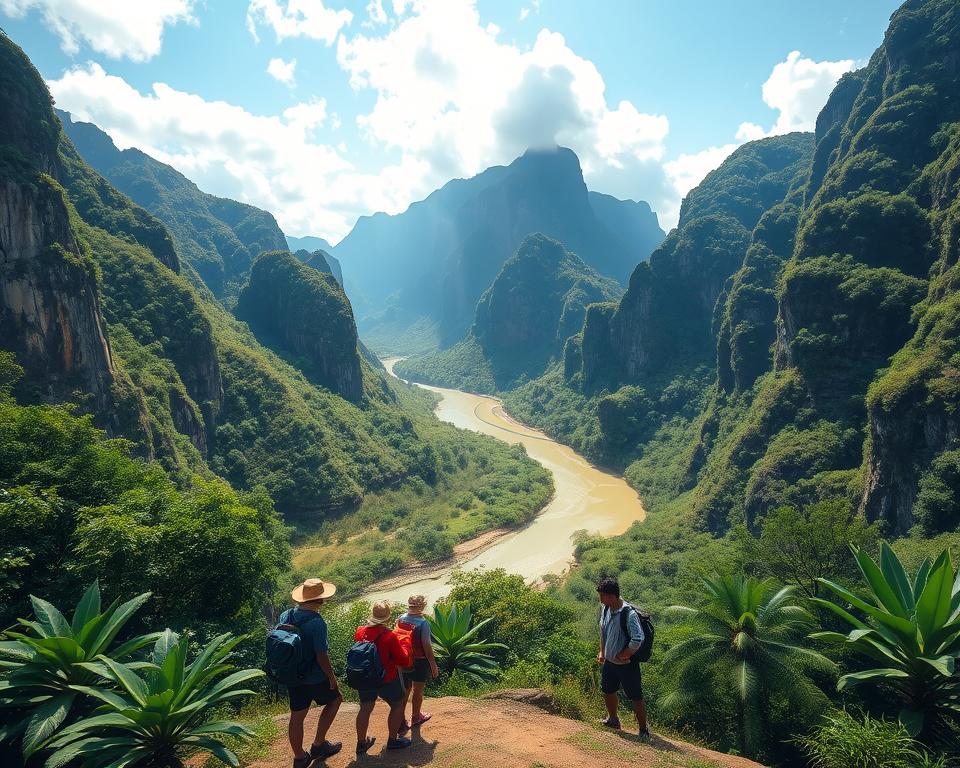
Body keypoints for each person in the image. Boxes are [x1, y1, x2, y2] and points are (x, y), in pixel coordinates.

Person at [281, 578, 343, 767]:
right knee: (335, 700)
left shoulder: (286, 615)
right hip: (314, 676)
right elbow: (321, 655)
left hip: (292, 674)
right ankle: (318, 745)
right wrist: (331, 677)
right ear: (320, 601)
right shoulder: (317, 622)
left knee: (297, 715)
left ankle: (300, 757)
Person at [354, 601, 413, 754]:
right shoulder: (390, 636)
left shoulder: (360, 631)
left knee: (365, 707)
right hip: (386, 678)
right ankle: (393, 740)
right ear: (388, 617)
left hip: (365, 677)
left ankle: (361, 743)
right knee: (398, 704)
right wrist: (406, 641)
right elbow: (403, 661)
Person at [596, 576, 650, 740]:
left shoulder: (628, 613)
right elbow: (603, 631)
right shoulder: (606, 609)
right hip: (610, 663)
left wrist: (625, 654)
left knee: (635, 696)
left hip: (627, 664)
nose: (600, 599)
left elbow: (638, 638)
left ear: (611, 596)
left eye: (602, 596)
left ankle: (643, 730)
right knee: (607, 690)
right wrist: (602, 652)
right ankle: (613, 720)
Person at [397, 594, 440, 732]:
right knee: (417, 691)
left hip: (404, 659)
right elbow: (426, 645)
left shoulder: (401, 618)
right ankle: (416, 716)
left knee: (405, 690)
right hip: (420, 661)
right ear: (422, 606)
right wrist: (433, 663)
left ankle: (401, 720)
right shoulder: (423, 623)